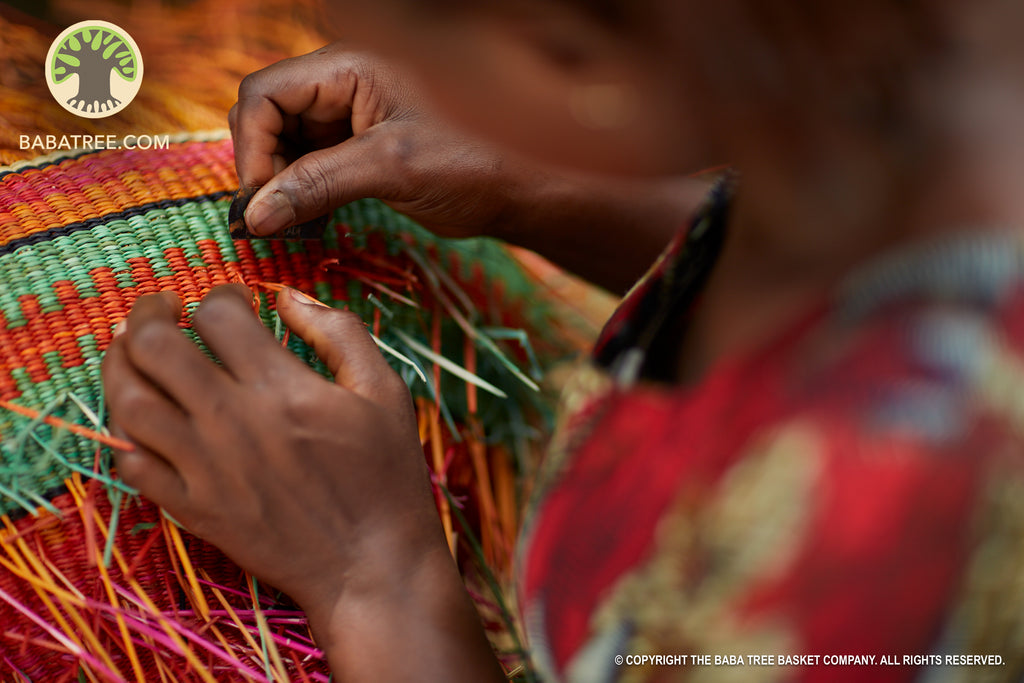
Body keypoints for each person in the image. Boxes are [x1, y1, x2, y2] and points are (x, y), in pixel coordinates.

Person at [101, 1, 1024, 681]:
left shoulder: (884, 524)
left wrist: (376, 580)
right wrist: (548, 180)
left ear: (576, 56)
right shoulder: (912, 96)